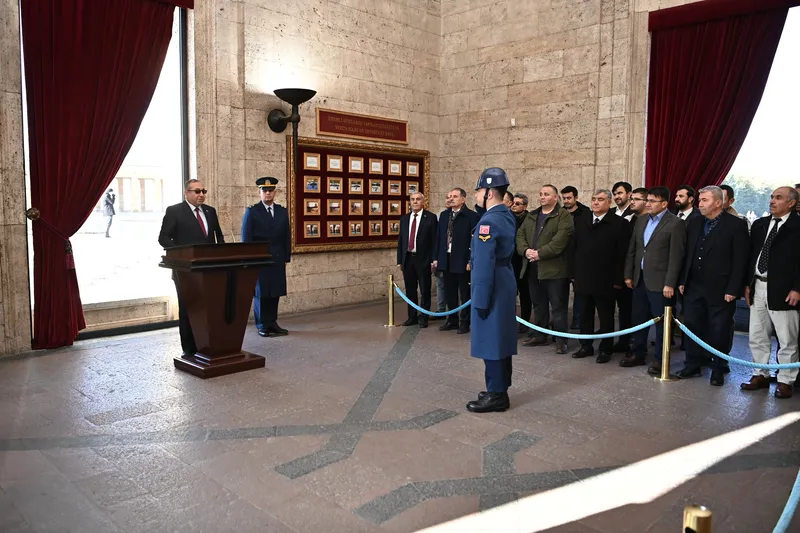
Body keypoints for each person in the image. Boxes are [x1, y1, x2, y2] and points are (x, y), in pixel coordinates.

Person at [678, 186, 749, 386]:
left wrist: (733, 289)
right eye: (699, 200)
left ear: (718, 202)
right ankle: (692, 364)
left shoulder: (736, 225)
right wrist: (683, 281)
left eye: (705, 200)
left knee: (719, 329)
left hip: (721, 288)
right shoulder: (695, 222)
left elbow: (740, 260)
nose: (700, 204)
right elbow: (688, 254)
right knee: (692, 326)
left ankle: (718, 367)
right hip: (693, 285)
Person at [466, 168, 518, 413]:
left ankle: (497, 395)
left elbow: (484, 265)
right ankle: (499, 387)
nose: (476, 195)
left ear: (489, 193)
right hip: (504, 280)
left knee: (492, 340)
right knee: (501, 337)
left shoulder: (487, 222)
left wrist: (480, 298)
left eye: (478, 191)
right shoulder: (505, 215)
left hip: (492, 284)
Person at [741, 187, 800, 399]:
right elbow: (751, 256)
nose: (772, 201)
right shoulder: (760, 224)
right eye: (772, 197)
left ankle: (785, 380)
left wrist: (798, 288)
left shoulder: (797, 226)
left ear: (791, 203)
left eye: (778, 198)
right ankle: (760, 374)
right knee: (757, 335)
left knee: (787, 338)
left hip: (784, 290)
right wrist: (747, 284)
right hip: (758, 285)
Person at [621, 186, 686, 375]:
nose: (648, 204)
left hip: (661, 282)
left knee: (661, 323)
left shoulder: (675, 224)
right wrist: (628, 274)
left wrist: (670, 283)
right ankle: (637, 353)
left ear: (664, 204)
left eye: (652, 201)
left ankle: (660, 359)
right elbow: (633, 250)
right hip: (639, 279)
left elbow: (676, 257)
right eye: (647, 200)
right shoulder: (641, 220)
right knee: (638, 318)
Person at [158, 179, 225, 356]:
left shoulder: (210, 211)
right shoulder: (174, 211)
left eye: (203, 191)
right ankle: (189, 348)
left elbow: (219, 238)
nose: (201, 195)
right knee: (189, 308)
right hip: (185, 271)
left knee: (208, 308)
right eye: (197, 191)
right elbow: (163, 238)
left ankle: (207, 344)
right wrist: (182, 253)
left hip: (209, 270)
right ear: (186, 193)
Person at [571, 189, 630, 364]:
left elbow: (622, 254)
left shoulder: (619, 223)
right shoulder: (581, 221)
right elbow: (574, 248)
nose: (596, 202)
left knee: (606, 317)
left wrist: (618, 280)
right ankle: (585, 346)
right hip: (584, 277)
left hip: (606, 280)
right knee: (584, 315)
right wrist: (573, 274)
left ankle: (605, 349)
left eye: (601, 199)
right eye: (594, 199)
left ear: (609, 202)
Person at [516, 184, 574, 353]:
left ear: (556, 197)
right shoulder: (532, 215)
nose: (542, 197)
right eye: (541, 194)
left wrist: (540, 254)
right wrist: (525, 251)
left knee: (558, 306)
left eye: (547, 194)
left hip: (555, 270)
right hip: (533, 268)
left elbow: (561, 240)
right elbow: (520, 235)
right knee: (538, 304)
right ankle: (540, 335)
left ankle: (561, 340)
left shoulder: (563, 215)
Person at [242, 177, 291, 337]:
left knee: (275, 291)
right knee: (261, 293)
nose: (267, 193)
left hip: (277, 257)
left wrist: (286, 257)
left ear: (275, 192)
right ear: (259, 192)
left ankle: (272, 322)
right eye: (264, 190)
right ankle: (262, 324)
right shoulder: (252, 211)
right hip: (260, 257)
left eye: (270, 190)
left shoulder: (282, 211)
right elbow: (246, 238)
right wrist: (249, 260)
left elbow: (286, 236)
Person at [433, 188, 480, 334]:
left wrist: (470, 260)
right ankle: (452, 320)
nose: (451, 199)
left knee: (464, 292)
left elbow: (474, 241)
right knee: (449, 291)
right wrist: (436, 257)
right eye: (449, 196)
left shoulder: (472, 216)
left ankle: (465, 322)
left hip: (462, 259)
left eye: (455, 196)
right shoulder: (444, 215)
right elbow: (439, 237)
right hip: (446, 258)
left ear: (463, 199)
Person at [397, 192, 437, 329]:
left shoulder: (430, 218)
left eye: (418, 199)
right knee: (410, 290)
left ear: (423, 202)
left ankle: (424, 317)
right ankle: (412, 317)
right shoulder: (404, 219)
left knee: (425, 289)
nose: (415, 202)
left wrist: (433, 259)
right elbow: (401, 241)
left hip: (424, 259)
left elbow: (434, 241)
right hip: (408, 259)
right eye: (412, 199)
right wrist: (400, 260)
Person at [561, 185, 590, 331]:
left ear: (576, 197)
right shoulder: (560, 212)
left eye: (569, 198)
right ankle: (560, 320)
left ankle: (578, 319)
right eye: (564, 198)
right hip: (562, 256)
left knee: (579, 291)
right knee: (560, 291)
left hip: (579, 256)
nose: (566, 201)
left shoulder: (585, 213)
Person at [510, 193, 532, 332]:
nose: (514, 205)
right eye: (513, 203)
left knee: (525, 295)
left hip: (524, 261)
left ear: (525, 206)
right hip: (511, 261)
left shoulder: (530, 219)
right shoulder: (508, 218)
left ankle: (525, 322)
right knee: (511, 294)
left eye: (518, 204)